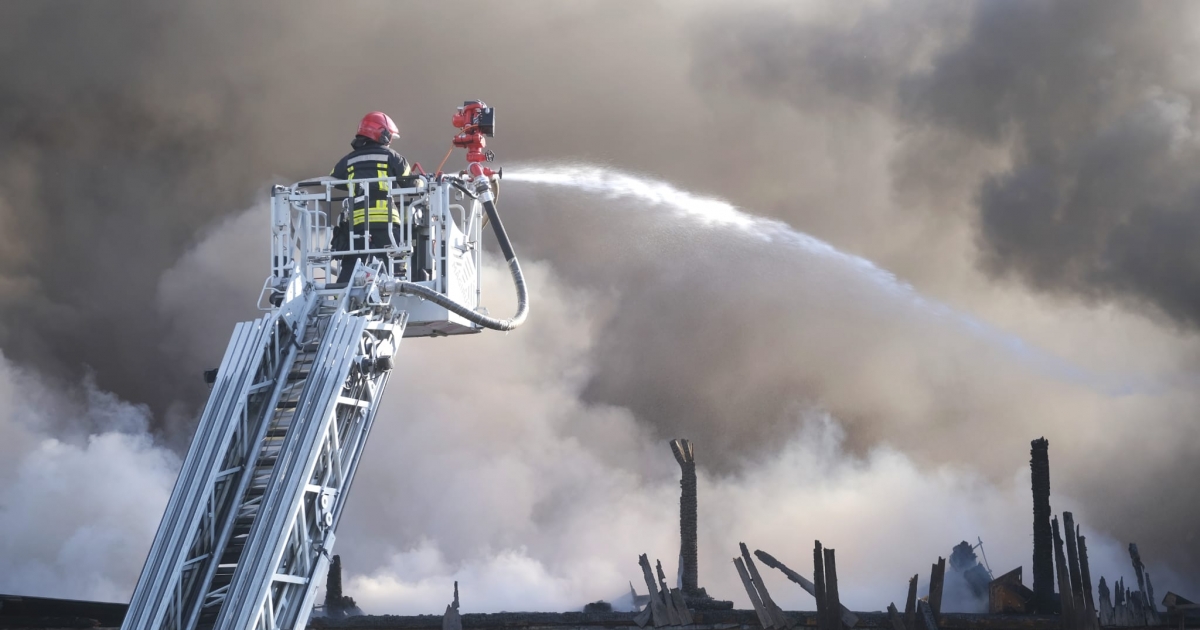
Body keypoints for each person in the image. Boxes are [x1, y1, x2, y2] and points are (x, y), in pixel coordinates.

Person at [329, 111, 412, 284]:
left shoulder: (348, 160)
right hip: (386, 222)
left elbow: (334, 181)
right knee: (396, 265)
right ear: (383, 134)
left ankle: (340, 296)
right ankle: (399, 292)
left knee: (352, 263)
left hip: (358, 224)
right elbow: (412, 184)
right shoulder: (392, 157)